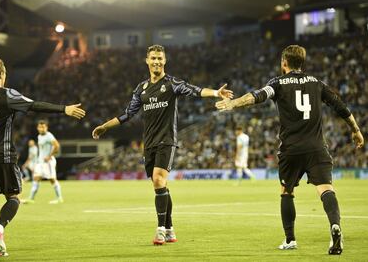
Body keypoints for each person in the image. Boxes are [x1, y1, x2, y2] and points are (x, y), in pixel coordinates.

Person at [216, 45, 364, 255]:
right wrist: (356, 130)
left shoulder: (277, 83)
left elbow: (257, 96)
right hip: (317, 148)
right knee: (326, 189)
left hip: (291, 150)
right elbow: (341, 106)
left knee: (287, 191)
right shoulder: (317, 83)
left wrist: (234, 104)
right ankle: (335, 226)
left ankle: (290, 239)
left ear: (284, 62)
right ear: (302, 63)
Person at [92, 44, 233, 245]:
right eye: (153, 58)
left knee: (159, 180)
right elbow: (127, 114)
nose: (157, 61)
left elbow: (194, 90)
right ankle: (170, 229)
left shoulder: (172, 83)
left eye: (160, 58)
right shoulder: (141, 89)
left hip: (167, 140)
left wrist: (215, 93)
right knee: (161, 186)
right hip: (148, 143)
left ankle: (159, 230)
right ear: (147, 61)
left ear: (164, 61)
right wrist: (105, 126)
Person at [0, 58, 85, 257]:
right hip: (4, 155)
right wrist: (64, 109)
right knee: (14, 198)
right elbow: (35, 105)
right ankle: (0, 227)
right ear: (1, 75)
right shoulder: (8, 95)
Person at [22, 120, 63, 204]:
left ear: (46, 128)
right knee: (36, 178)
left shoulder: (49, 136)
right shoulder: (39, 136)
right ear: (37, 128)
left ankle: (59, 198)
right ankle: (31, 198)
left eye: (43, 127)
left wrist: (49, 156)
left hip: (48, 162)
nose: (41, 129)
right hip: (40, 162)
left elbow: (57, 146)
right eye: (40, 127)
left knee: (52, 179)